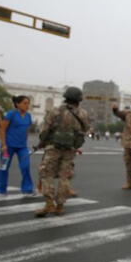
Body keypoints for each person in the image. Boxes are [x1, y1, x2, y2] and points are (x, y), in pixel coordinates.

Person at [35, 87, 90, 217]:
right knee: (64, 177)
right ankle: (60, 206)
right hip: (70, 149)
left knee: (46, 174)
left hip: (53, 147)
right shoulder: (83, 114)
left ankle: (49, 203)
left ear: (65, 98)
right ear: (79, 100)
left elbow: (45, 129)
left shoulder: (55, 111)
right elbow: (86, 129)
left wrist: (42, 142)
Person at [0, 95, 35, 196]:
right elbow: (2, 129)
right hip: (8, 146)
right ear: (17, 104)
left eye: (28, 103)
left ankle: (27, 189)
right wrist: (4, 145)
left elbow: (26, 130)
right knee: (4, 167)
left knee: (25, 166)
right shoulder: (11, 114)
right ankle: (0, 190)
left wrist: (25, 143)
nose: (27, 105)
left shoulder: (28, 116)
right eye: (25, 103)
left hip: (22, 147)